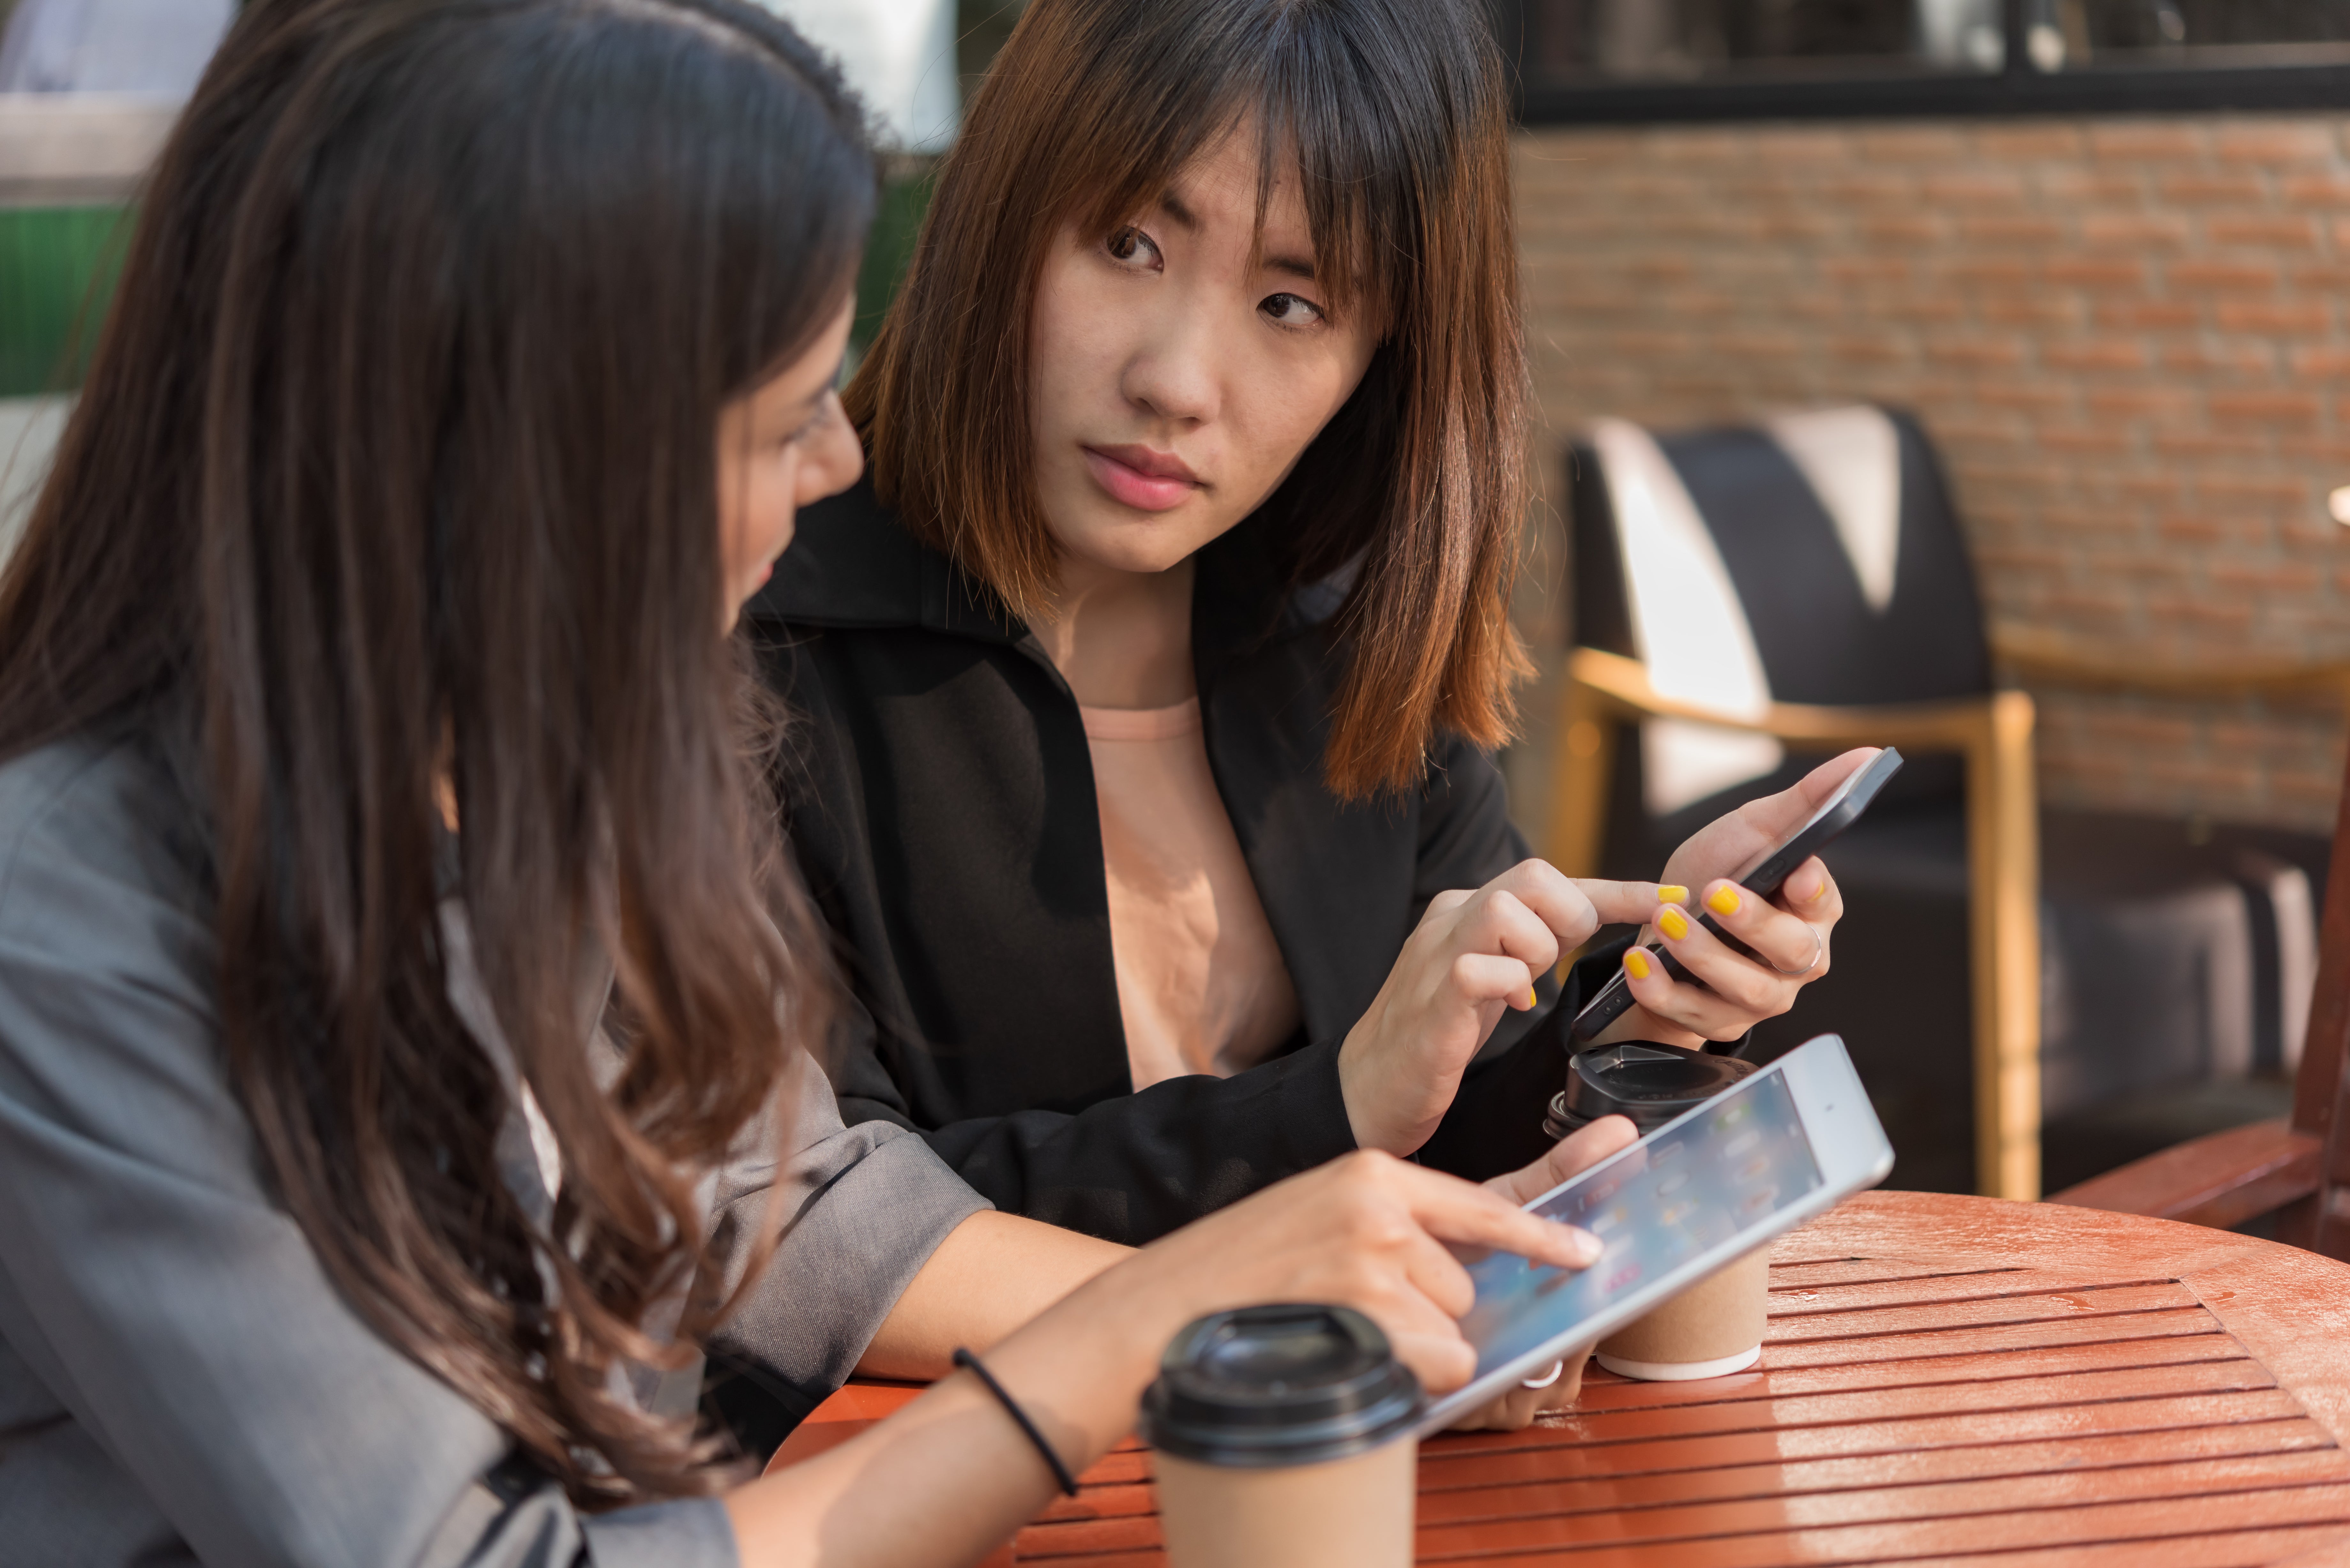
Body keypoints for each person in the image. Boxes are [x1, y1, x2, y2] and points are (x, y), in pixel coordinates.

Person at [0, 2, 1635, 1563]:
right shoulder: (72, 932)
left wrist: (1283, 1301)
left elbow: (797, 1212)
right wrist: (1148, 1323)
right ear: (513, 448)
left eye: (1295, 303)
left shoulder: (546, 770)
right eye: (783, 414)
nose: (841, 460)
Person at [749, 0, 1863, 1246]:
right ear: (998, 212)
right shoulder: (752, 641)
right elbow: (822, 1240)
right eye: (1129, 243)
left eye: (1291, 306)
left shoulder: (1344, 643)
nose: (1176, 379)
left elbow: (1456, 1117)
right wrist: (1331, 1107)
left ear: (1382, 359)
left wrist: (1647, 1008)